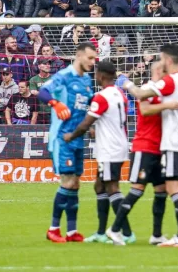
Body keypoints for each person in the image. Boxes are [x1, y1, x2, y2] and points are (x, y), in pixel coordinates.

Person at [120, 44, 178, 248]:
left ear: (167, 60)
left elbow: (141, 95)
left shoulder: (171, 81)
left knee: (174, 187)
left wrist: (127, 83)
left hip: (175, 140)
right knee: (176, 187)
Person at [61, 61, 133, 244]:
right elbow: (111, 120)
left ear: (100, 75)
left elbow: (86, 123)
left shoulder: (102, 97)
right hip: (116, 143)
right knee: (99, 186)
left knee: (112, 187)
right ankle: (101, 233)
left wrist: (71, 135)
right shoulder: (120, 94)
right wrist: (97, 130)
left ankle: (126, 232)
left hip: (110, 148)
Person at [106, 60, 176, 245]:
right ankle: (114, 230)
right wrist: (169, 106)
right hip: (144, 147)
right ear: (160, 71)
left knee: (161, 191)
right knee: (137, 189)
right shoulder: (148, 88)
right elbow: (144, 110)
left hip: (159, 149)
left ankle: (157, 235)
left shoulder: (162, 91)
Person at [37, 41, 98, 243]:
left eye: (94, 58)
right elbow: (43, 92)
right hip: (62, 137)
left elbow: (87, 106)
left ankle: (72, 232)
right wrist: (55, 103)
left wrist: (91, 127)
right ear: (79, 55)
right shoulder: (63, 76)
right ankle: (53, 229)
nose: (92, 61)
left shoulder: (87, 80)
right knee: (68, 182)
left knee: (76, 184)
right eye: (89, 57)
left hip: (78, 138)